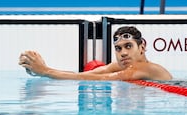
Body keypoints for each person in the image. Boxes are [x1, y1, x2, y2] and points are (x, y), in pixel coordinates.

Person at [19, 26, 172, 81]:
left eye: (128, 46)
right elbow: (83, 75)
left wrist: (46, 71)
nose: (123, 53)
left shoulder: (146, 68)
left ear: (142, 47)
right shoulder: (119, 67)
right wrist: (41, 71)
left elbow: (101, 79)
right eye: (118, 48)